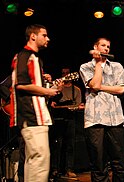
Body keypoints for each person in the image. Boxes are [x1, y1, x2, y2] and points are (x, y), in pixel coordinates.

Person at [9, 24, 63, 182]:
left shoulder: (35, 58)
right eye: (44, 35)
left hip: (36, 115)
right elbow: (21, 85)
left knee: (35, 161)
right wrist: (47, 91)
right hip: (31, 115)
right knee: (40, 159)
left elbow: (34, 90)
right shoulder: (26, 56)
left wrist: (53, 89)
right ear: (33, 36)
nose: (48, 38)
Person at [79, 37, 124, 182]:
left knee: (119, 162)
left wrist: (100, 88)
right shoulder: (85, 67)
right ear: (95, 47)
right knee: (98, 163)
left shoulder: (117, 66)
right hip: (95, 120)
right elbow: (94, 83)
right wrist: (99, 65)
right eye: (103, 45)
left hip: (115, 118)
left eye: (108, 46)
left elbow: (121, 89)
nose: (106, 48)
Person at [49, 67, 84, 178]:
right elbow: (52, 103)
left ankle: (69, 169)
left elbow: (79, 105)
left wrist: (77, 108)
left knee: (70, 145)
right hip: (58, 119)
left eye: (66, 73)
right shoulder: (57, 88)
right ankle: (55, 169)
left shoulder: (76, 90)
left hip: (70, 119)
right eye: (63, 73)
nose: (65, 75)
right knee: (57, 145)